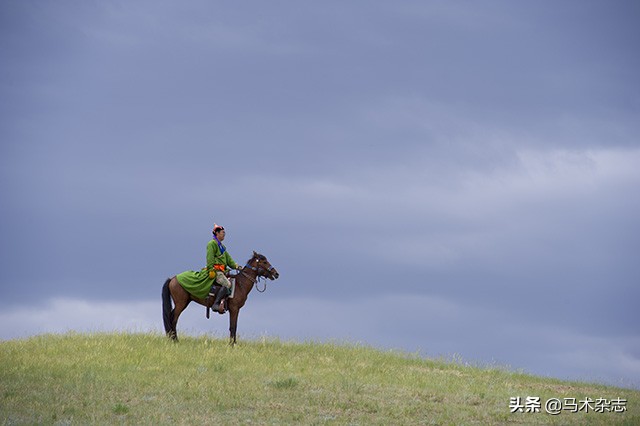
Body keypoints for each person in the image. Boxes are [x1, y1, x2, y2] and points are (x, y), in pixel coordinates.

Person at [176, 223, 241, 313]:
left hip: (222, 271)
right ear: (217, 233)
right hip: (216, 271)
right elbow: (209, 258)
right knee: (227, 284)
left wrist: (237, 266)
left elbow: (229, 260)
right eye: (222, 232)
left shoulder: (222, 247)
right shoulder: (212, 244)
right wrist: (211, 270)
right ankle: (216, 304)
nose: (224, 234)